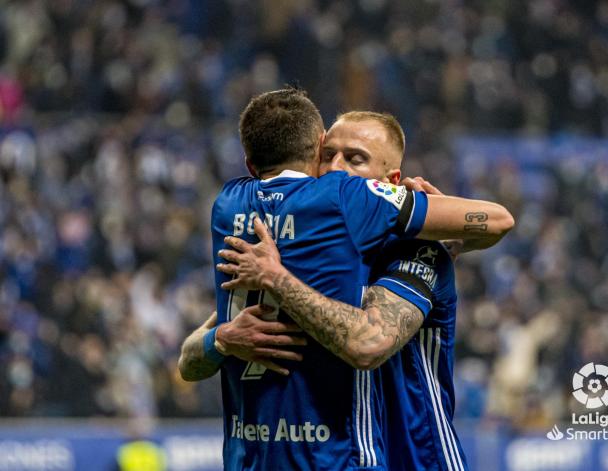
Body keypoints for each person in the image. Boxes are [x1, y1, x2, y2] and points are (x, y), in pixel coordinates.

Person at [178, 89, 513, 470]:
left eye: (354, 159)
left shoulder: (415, 253)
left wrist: (441, 228)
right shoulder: (299, 249)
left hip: (418, 457)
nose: (336, 169)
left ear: (390, 181)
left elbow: (367, 343)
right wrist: (221, 339)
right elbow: (190, 358)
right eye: (327, 155)